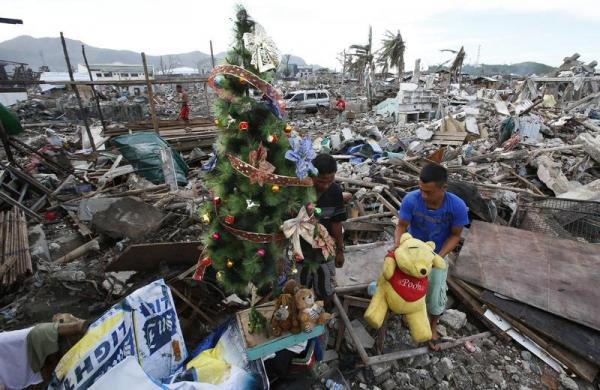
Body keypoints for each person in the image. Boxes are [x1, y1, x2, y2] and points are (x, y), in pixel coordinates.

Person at [392, 163, 469, 351]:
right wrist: (398, 247)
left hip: (437, 253)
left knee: (435, 291)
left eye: (429, 192)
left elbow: (456, 235)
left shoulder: (456, 206)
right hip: (412, 251)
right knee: (406, 287)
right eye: (421, 190)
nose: (424, 196)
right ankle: (409, 315)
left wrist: (438, 257)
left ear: (444, 188)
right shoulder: (412, 200)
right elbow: (401, 226)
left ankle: (432, 324)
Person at [298, 154, 347, 301]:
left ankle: (324, 313)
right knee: (301, 291)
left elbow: (336, 223)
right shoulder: (299, 191)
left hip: (325, 251)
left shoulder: (335, 192)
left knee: (325, 288)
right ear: (312, 175)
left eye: (330, 181)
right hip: (300, 251)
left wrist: (339, 250)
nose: (326, 185)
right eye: (321, 181)